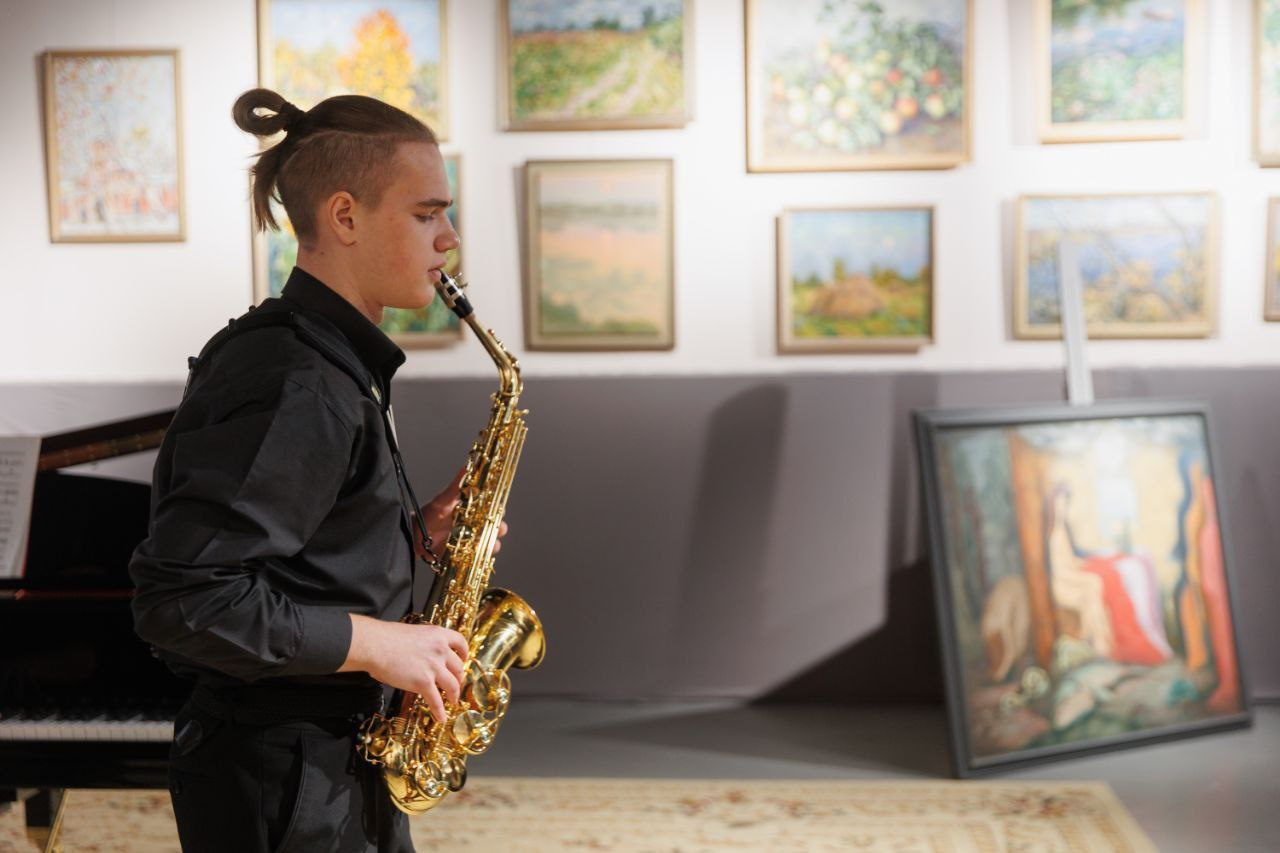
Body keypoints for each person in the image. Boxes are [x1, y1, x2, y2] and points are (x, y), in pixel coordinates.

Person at [129, 87, 503, 852]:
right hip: (284, 779)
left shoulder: (330, 362)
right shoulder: (296, 380)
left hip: (328, 759)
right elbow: (186, 600)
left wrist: (408, 534)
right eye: (427, 214)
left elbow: (291, 550)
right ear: (344, 217)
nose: (449, 239)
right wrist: (380, 644)